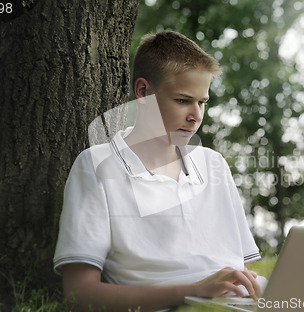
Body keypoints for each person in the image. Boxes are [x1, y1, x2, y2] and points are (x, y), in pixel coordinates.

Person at [53, 30, 263, 312]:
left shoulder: (214, 164)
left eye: (202, 102)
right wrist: (194, 292)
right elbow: (80, 294)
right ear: (143, 92)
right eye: (182, 100)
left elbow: (243, 271)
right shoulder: (97, 165)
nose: (196, 116)